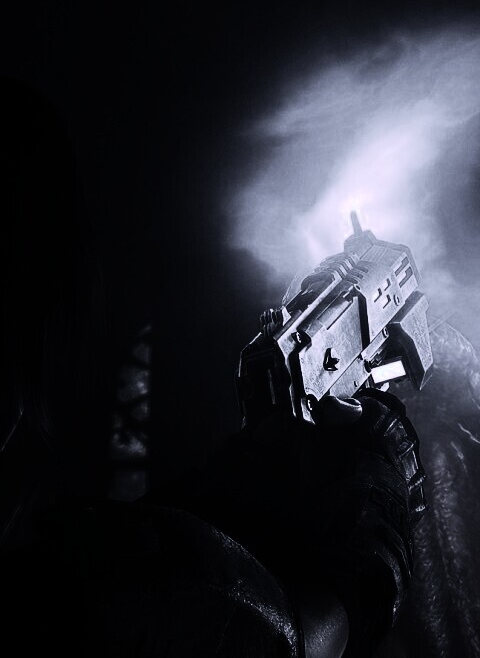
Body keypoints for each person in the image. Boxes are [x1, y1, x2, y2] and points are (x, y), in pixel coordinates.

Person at [0, 77, 425, 657]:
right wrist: (380, 520)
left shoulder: (66, 548)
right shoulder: (76, 579)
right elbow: (298, 639)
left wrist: (248, 470)